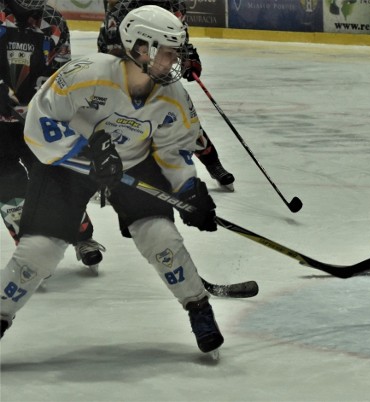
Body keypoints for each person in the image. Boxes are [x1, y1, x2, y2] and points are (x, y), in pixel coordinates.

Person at [0, 5, 224, 354]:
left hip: (132, 164)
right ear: (140, 48)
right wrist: (86, 152)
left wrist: (189, 190)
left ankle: (198, 307)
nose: (173, 61)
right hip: (66, 167)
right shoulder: (86, 74)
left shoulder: (173, 97)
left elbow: (173, 151)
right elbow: (39, 122)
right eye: (167, 52)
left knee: (161, 236)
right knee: (39, 252)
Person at [0, 0, 105, 271]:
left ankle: (82, 235)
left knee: (56, 177)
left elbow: (61, 72)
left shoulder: (54, 21)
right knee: (8, 186)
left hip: (36, 120)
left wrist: (49, 101)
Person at [98, 0, 235, 191]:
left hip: (158, 65)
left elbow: (179, 40)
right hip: (127, 70)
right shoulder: (123, 9)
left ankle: (213, 163)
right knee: (119, 122)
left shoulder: (176, 5)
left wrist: (189, 56)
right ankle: (106, 171)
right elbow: (111, 47)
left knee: (184, 114)